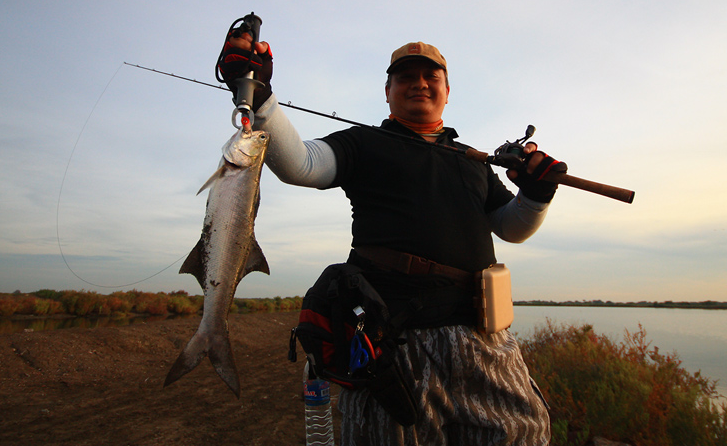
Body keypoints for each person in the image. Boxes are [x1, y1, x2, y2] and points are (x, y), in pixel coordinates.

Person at [220, 33, 562, 446]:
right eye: (405, 77)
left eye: (430, 76)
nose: (419, 83)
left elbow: (512, 227)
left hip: (484, 342)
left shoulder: (474, 162)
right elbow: (302, 165)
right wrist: (258, 96)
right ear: (388, 93)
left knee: (525, 434)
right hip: (391, 345)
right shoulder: (363, 143)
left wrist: (537, 194)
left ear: (447, 91)